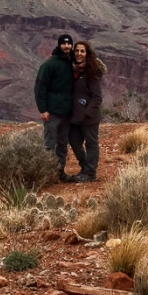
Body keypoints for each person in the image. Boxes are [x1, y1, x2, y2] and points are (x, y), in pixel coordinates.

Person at [34, 33, 75, 182]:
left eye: (69, 44)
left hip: (66, 113)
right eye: (63, 44)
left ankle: (60, 172)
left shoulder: (72, 63)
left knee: (63, 144)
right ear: (59, 45)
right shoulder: (49, 65)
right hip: (52, 112)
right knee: (49, 144)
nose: (66, 46)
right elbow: (40, 87)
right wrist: (42, 109)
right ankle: (47, 173)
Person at [68, 40, 106, 183]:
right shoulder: (72, 71)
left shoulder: (91, 72)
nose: (79, 54)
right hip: (74, 116)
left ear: (87, 53)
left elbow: (97, 97)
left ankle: (90, 173)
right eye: (77, 51)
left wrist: (87, 113)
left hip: (89, 117)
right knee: (74, 141)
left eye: (82, 51)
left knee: (91, 143)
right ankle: (85, 168)